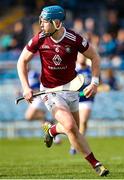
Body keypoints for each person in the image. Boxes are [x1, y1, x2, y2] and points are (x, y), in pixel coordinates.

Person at [17, 5, 109, 176]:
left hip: (71, 88)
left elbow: (94, 57)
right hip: (50, 91)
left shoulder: (74, 39)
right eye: (41, 21)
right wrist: (25, 87)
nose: (41, 24)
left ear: (57, 23)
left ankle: (51, 130)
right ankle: (96, 163)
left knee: (74, 130)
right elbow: (21, 61)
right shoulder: (39, 39)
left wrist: (95, 82)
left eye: (45, 22)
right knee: (69, 125)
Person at [69, 53, 94, 155]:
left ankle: (75, 145)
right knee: (74, 124)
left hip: (87, 100)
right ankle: (77, 141)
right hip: (76, 99)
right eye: (80, 56)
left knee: (83, 121)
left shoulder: (91, 70)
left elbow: (97, 85)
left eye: (83, 56)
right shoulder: (74, 70)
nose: (82, 58)